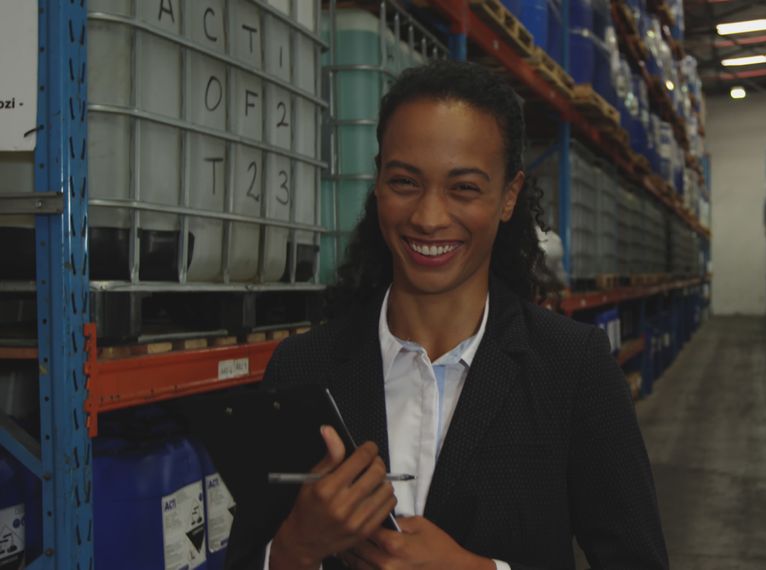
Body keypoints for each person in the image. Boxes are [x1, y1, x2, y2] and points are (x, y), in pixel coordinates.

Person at [227, 59, 668, 570]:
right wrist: (294, 548)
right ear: (377, 185)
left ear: (508, 197)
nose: (429, 217)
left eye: (463, 188)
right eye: (405, 182)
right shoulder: (303, 369)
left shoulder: (574, 370)